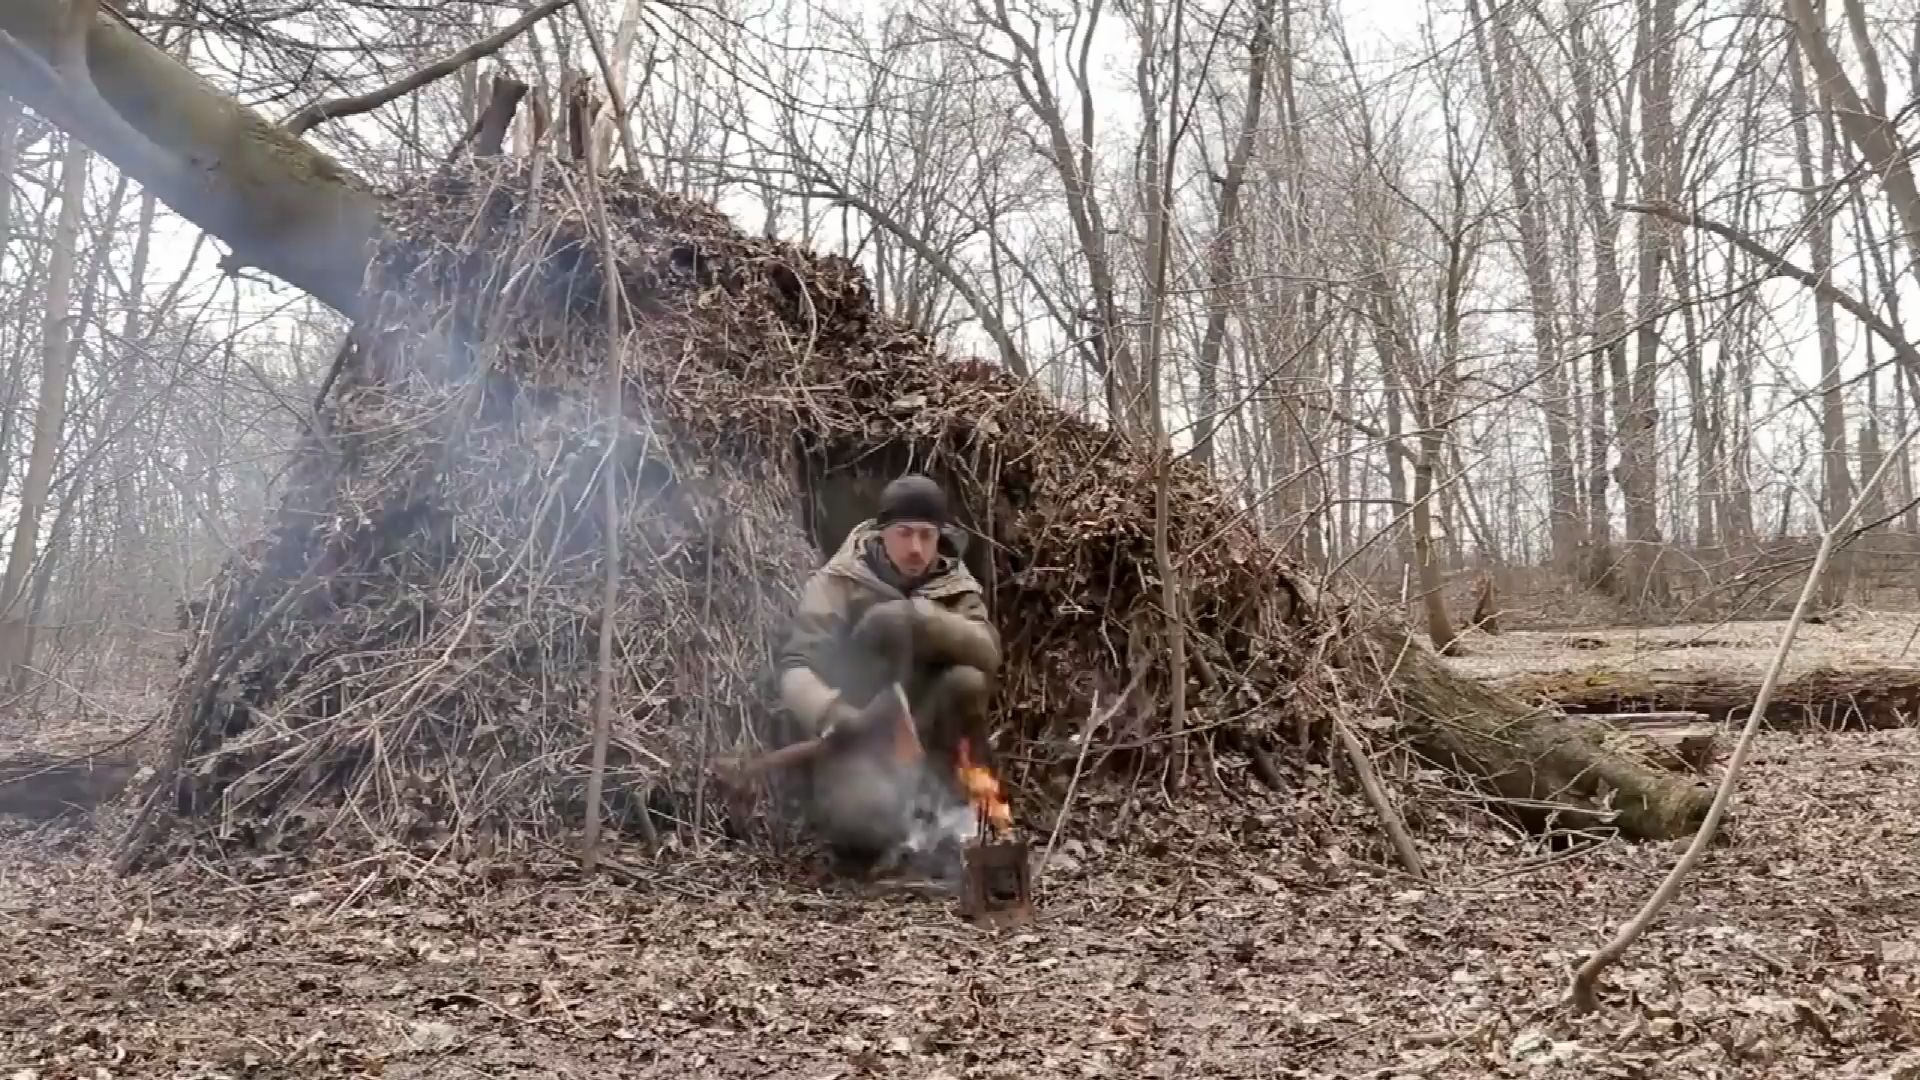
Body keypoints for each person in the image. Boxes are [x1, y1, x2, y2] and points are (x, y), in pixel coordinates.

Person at [774, 473, 1001, 868]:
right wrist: (835, 714)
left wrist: (920, 619)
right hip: (861, 737)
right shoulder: (840, 582)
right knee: (858, 837)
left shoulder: (955, 584)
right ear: (881, 535)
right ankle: (875, 817)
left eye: (926, 535)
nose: (915, 548)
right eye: (903, 533)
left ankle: (947, 805)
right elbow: (796, 665)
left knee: (967, 682)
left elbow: (987, 652)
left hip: (929, 732)